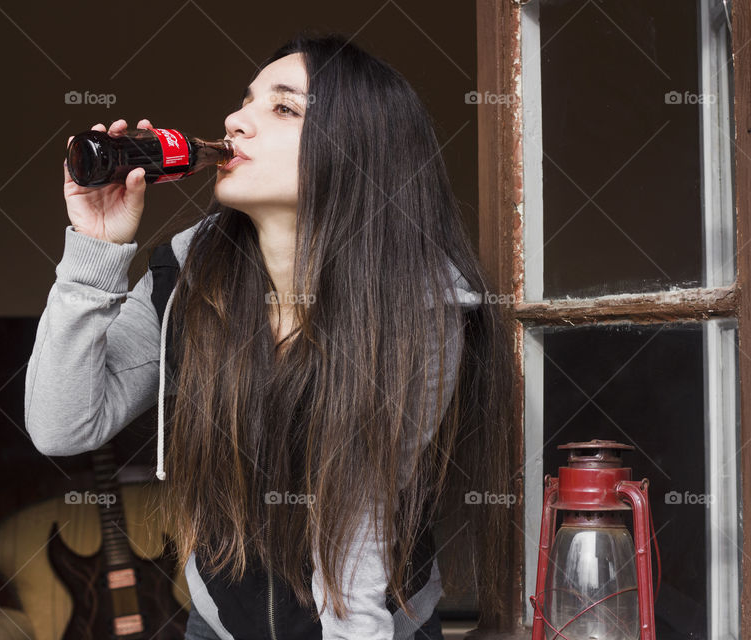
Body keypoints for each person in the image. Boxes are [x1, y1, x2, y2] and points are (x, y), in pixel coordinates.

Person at [25, 31, 513, 640]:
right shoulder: (188, 273)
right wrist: (94, 249)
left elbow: (359, 532)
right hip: (218, 627)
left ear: (357, 150)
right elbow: (62, 426)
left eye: (282, 107)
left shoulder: (420, 308)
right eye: (246, 100)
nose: (235, 120)